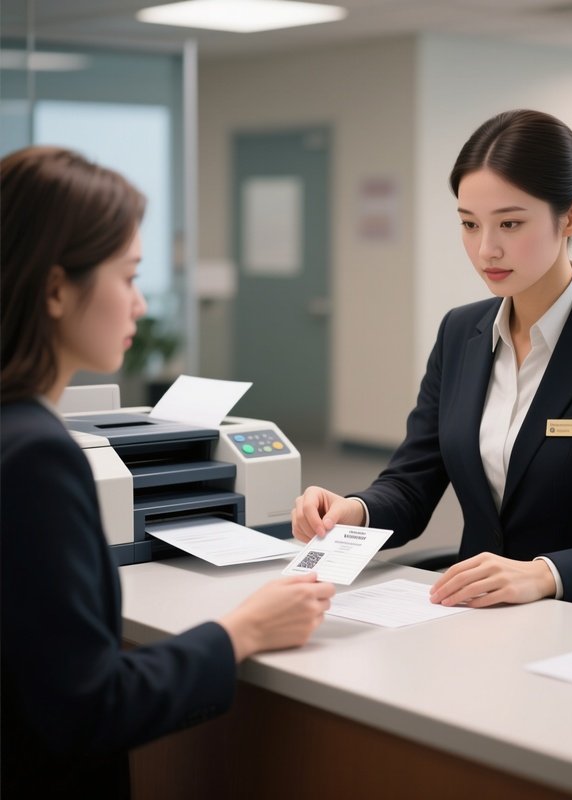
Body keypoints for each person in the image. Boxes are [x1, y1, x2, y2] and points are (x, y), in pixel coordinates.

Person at [0, 146, 336, 798]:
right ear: (55, 289)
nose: (139, 306)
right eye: (127, 277)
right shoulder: (37, 456)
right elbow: (84, 709)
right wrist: (242, 630)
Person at [293, 109, 572, 618]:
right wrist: (356, 511)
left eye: (510, 223)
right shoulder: (462, 332)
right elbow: (413, 484)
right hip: (477, 616)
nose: (486, 249)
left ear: (571, 216)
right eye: (468, 224)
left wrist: (544, 573)